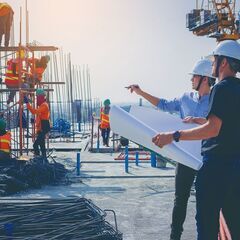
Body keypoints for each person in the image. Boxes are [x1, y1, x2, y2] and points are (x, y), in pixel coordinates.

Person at [152, 40, 240, 240]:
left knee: (207, 227)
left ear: (223, 62)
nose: (212, 66)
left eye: (214, 61)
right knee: (235, 224)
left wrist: (173, 135)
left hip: (217, 168)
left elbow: (213, 129)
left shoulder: (222, 88)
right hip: (237, 169)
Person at [127, 58, 215, 240]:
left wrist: (200, 121)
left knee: (205, 202)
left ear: (204, 79)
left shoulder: (216, 99)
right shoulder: (185, 98)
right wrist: (140, 92)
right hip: (186, 157)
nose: (191, 80)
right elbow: (163, 104)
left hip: (207, 158)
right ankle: (175, 236)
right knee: (180, 200)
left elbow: (219, 125)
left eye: (194, 77)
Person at [24, 89, 50, 158]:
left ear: (41, 97)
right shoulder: (43, 105)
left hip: (43, 128)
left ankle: (37, 158)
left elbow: (33, 111)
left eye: (37, 97)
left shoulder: (44, 105)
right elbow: (38, 115)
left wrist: (27, 103)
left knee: (35, 144)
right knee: (42, 144)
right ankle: (44, 158)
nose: (36, 100)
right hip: (41, 128)